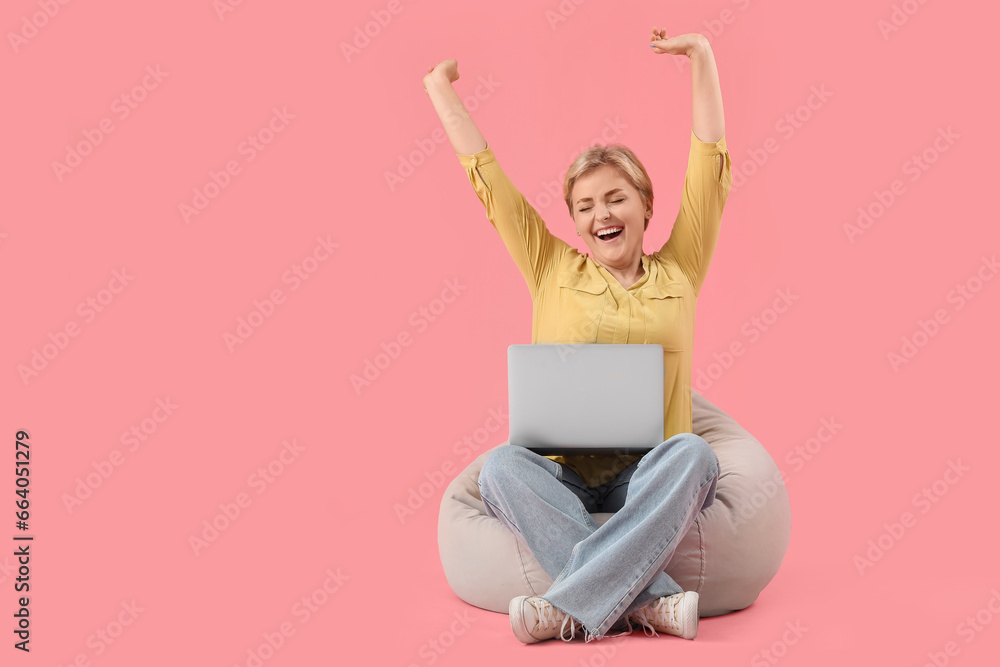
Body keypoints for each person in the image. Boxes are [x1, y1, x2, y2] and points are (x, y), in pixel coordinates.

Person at [422, 27, 732, 644]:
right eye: (586, 206)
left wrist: (702, 59)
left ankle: (564, 608)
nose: (601, 216)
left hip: (647, 471)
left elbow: (710, 166)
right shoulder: (551, 267)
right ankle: (652, 604)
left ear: (646, 205)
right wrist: (440, 92)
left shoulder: (681, 269)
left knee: (697, 456)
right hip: (562, 470)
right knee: (501, 469)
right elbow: (492, 188)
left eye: (616, 199)